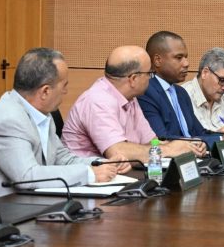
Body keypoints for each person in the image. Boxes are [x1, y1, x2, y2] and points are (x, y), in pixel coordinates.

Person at [0, 48, 124, 199]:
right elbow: (27, 176)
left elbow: (63, 159)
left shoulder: (42, 113)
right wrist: (89, 174)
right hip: (5, 208)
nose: (66, 91)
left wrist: (102, 164)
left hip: (33, 202)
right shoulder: (8, 118)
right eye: (64, 85)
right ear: (45, 91)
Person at [62, 45, 203, 161]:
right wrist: (168, 149)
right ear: (133, 79)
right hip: (88, 179)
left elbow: (151, 142)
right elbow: (118, 152)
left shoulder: (131, 98)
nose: (150, 79)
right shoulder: (98, 101)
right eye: (149, 74)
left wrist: (187, 146)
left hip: (119, 175)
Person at [137, 31, 218, 150]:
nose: (186, 63)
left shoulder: (181, 93)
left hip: (194, 156)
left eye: (186, 57)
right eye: (179, 58)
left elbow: (200, 132)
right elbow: (161, 138)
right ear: (157, 60)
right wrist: (196, 142)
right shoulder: (146, 91)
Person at [183, 47, 224, 144]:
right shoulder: (183, 97)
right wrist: (221, 137)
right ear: (205, 73)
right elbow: (185, 140)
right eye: (222, 80)